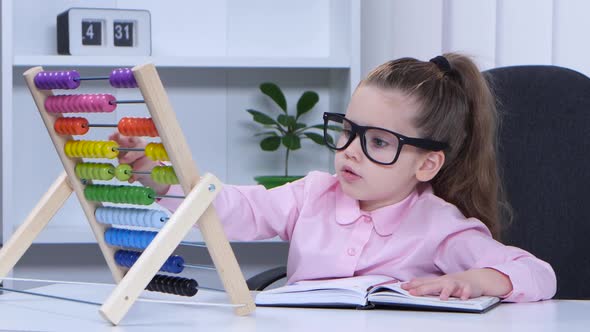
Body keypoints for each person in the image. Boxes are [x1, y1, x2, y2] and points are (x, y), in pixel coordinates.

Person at [110, 53, 556, 302]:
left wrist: (478, 280)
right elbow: (234, 209)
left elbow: (537, 274)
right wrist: (164, 182)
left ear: (426, 165)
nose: (350, 151)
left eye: (378, 142)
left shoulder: (438, 225)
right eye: (347, 130)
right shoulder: (313, 195)